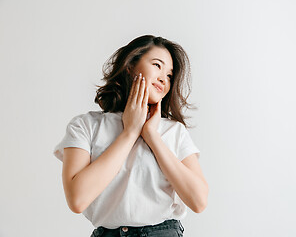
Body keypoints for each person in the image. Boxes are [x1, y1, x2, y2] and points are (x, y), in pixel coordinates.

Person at [53, 35, 208, 237]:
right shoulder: (85, 126)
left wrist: (152, 136)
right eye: (157, 65)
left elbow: (198, 201)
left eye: (169, 75)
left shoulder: (174, 131)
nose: (163, 78)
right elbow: (77, 199)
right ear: (130, 66)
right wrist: (130, 133)